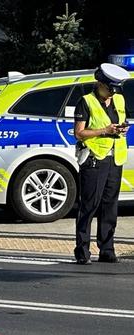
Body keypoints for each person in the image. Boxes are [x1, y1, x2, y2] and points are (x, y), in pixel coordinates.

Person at [74, 62, 129, 265]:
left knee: (110, 206)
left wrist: (122, 129)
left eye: (115, 90)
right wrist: (104, 131)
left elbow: (122, 120)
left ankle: (107, 249)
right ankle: (82, 250)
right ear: (99, 83)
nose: (111, 94)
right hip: (94, 159)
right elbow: (79, 133)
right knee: (89, 205)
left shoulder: (119, 99)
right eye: (109, 89)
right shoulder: (86, 102)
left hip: (115, 158)